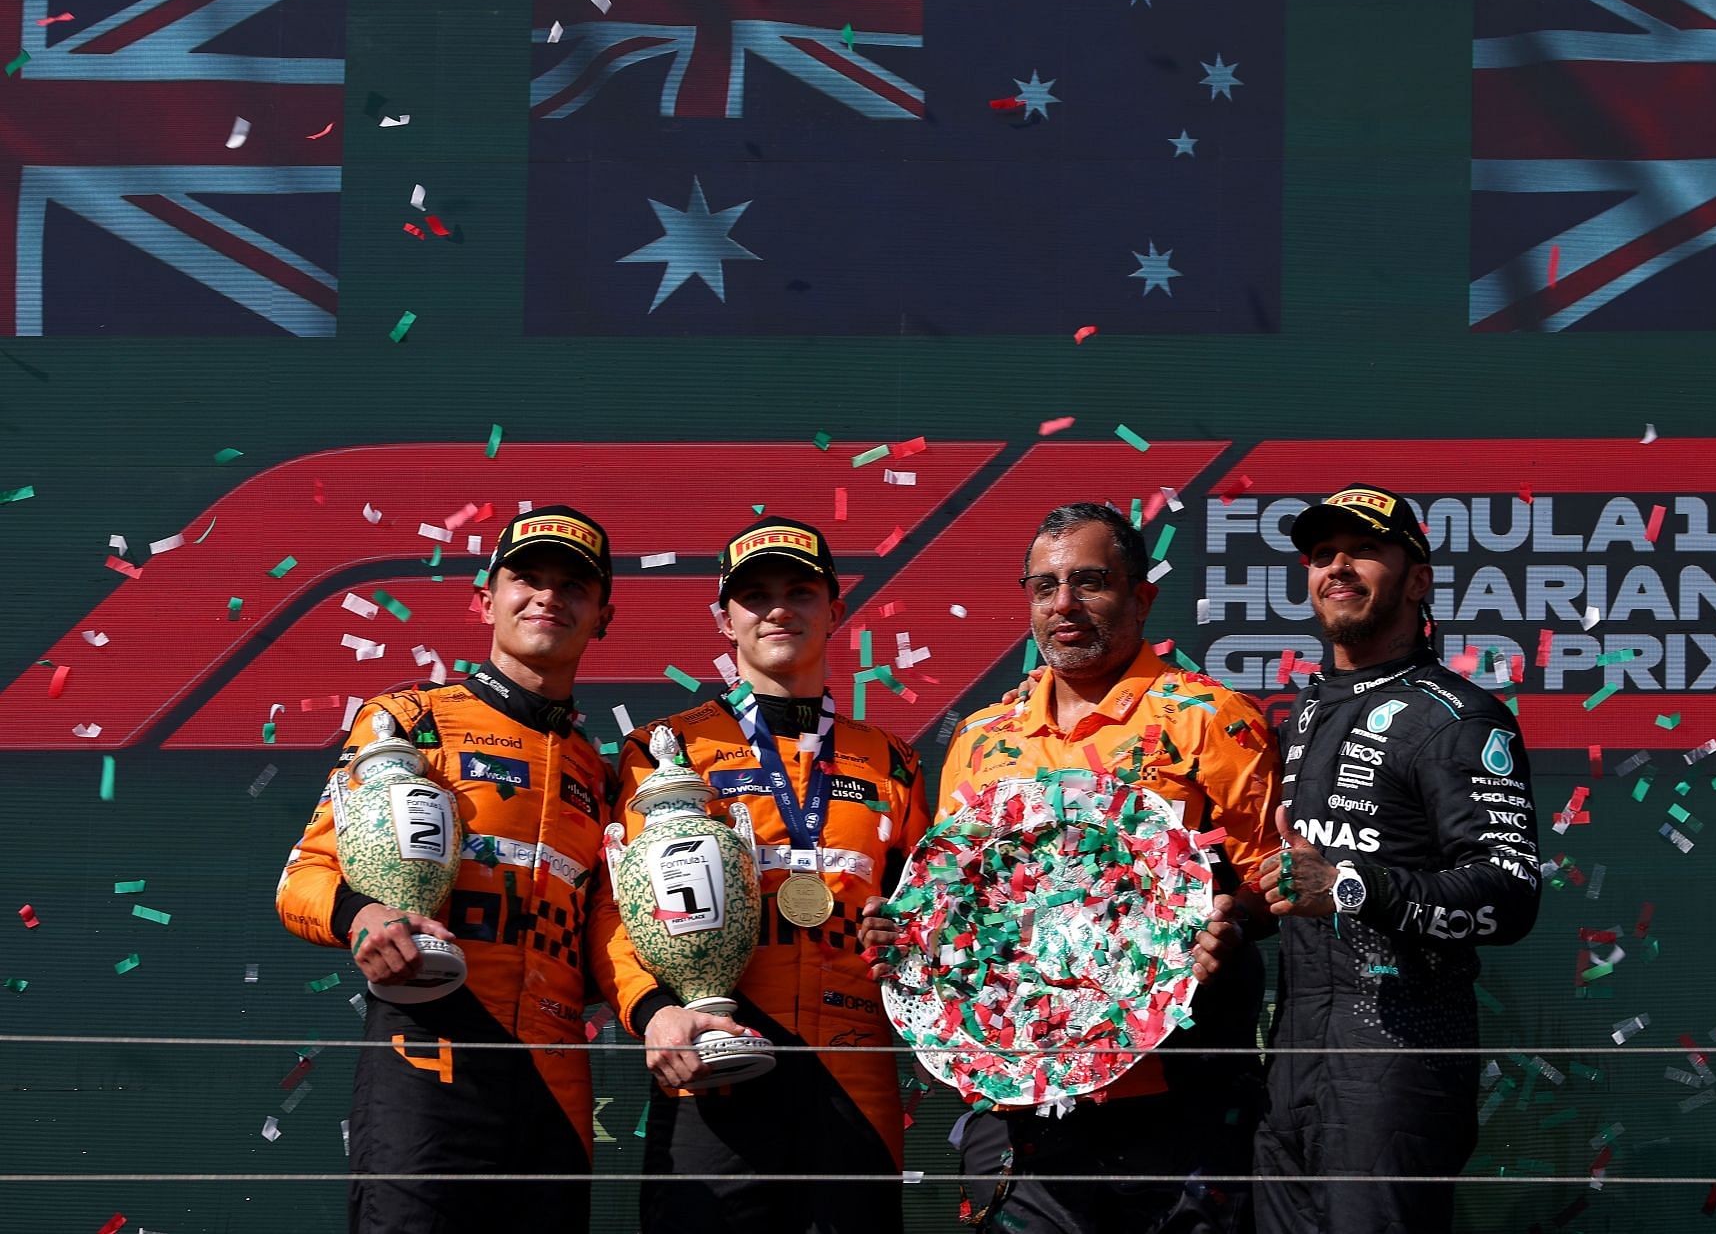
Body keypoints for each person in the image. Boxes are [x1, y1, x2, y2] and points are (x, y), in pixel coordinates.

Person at [864, 501, 1277, 1234]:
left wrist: (1235, 917)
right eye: (1044, 586)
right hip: (1016, 1104)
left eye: (1091, 582)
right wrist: (904, 938)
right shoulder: (981, 738)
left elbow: (1270, 872)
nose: (1065, 605)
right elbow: (948, 905)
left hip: (1179, 1096)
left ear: (1141, 596)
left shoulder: (1212, 718)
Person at [276, 505, 650, 1232]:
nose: (549, 596)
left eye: (573, 585)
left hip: (555, 1080)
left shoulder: (603, 771)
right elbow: (303, 875)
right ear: (484, 599)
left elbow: (612, 933)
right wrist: (364, 916)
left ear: (603, 614)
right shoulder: (409, 719)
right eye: (527, 579)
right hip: (427, 1053)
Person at [616, 516, 930, 1234]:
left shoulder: (893, 760)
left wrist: (905, 939)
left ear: (837, 609)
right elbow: (616, 911)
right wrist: (652, 1008)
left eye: (800, 590)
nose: (778, 608)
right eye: (754, 596)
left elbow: (929, 914)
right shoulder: (666, 751)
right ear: (724, 619)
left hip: (855, 1077)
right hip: (714, 1058)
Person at [1253, 484, 1542, 1234]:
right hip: (1291, 1067)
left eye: (1363, 550)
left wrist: (1348, 884)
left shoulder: (1458, 715)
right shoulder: (1307, 710)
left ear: (1418, 578)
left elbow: (1510, 891)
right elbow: (1292, 886)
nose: (1338, 567)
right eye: (1322, 554)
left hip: (1397, 1064)